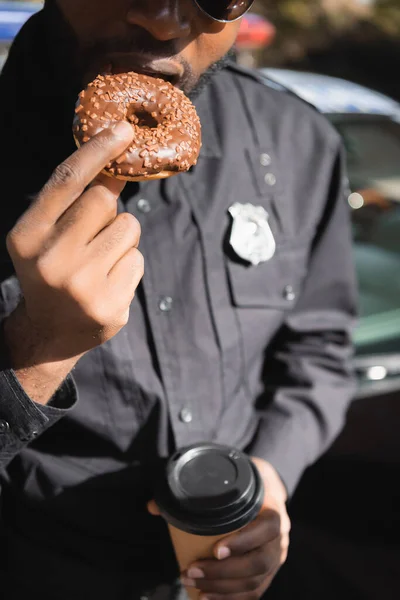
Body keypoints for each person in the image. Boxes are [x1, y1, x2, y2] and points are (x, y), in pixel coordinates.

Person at [0, 1, 357, 598]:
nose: (165, 19)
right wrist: (37, 352)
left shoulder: (298, 142)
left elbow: (319, 350)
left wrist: (269, 474)